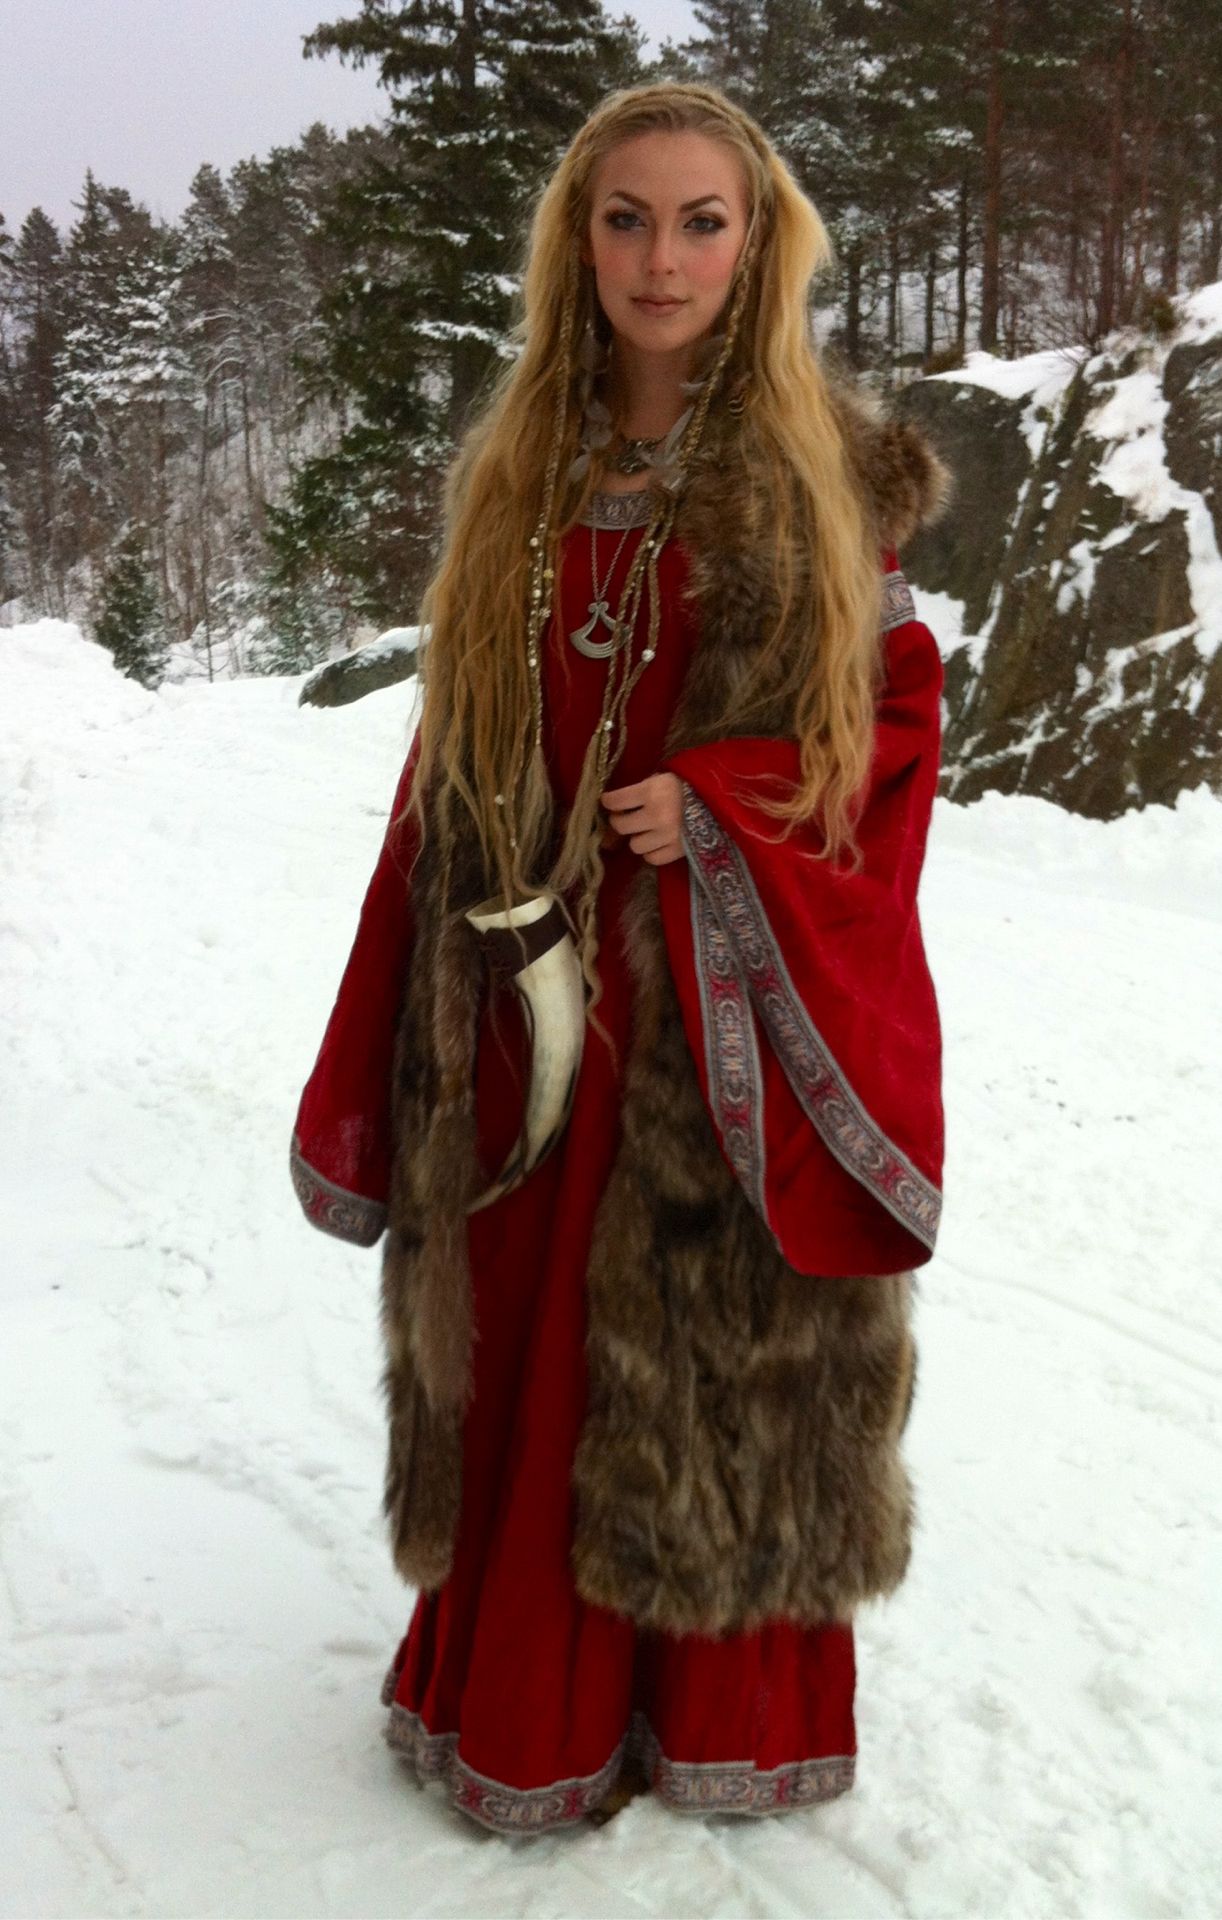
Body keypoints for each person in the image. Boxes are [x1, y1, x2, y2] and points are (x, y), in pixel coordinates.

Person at [289, 80, 952, 1838]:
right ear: (575, 238)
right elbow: (452, 745)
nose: (662, 259)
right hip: (520, 993)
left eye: (702, 220)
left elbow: (885, 732)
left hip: (713, 1013)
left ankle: (713, 1711)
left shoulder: (822, 470)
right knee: (519, 1336)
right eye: (627, 218)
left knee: (700, 1350)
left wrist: (723, 808)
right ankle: (527, 1702)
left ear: (759, 243)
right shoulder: (521, 463)